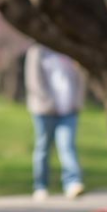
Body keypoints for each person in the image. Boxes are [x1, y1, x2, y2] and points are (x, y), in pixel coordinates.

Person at [24, 43, 86, 201]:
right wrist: (47, 102)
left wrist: (77, 101)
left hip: (69, 108)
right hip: (45, 109)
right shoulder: (38, 51)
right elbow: (33, 81)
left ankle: (73, 183)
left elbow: (81, 76)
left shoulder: (71, 48)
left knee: (67, 146)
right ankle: (41, 185)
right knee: (43, 147)